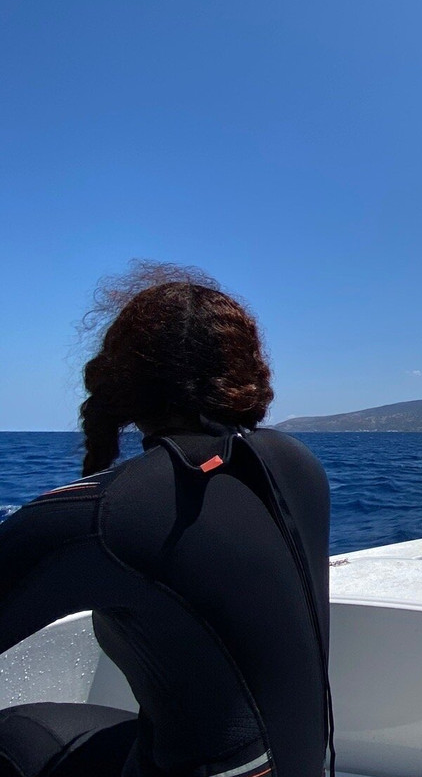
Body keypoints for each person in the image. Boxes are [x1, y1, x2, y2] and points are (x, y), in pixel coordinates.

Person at [0, 264, 333, 777]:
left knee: (12, 735)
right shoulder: (297, 464)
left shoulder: (103, 514)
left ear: (121, 380)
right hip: (302, 766)